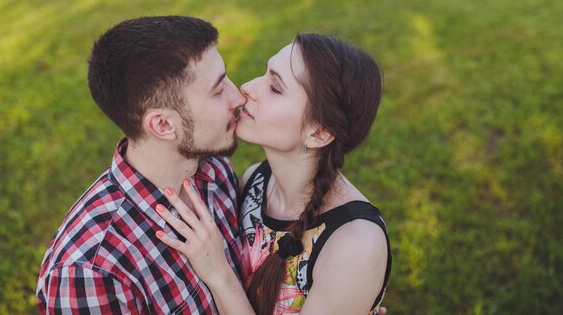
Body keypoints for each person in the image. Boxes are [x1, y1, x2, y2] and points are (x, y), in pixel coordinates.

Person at [157, 33, 392, 315]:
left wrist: (218, 273)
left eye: (275, 88)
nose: (246, 88)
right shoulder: (254, 181)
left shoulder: (355, 243)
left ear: (318, 133)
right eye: (265, 74)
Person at [36, 16, 246, 314]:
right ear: (162, 125)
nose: (238, 97)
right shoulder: (92, 270)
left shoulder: (216, 171)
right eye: (218, 90)